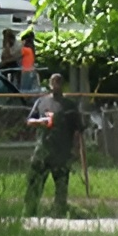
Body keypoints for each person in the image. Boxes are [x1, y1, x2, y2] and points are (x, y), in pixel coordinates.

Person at [24, 73, 85, 217]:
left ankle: (59, 213)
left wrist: (76, 150)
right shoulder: (41, 102)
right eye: (53, 82)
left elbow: (78, 130)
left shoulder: (70, 106)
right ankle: (30, 212)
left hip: (62, 152)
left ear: (62, 85)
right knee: (35, 182)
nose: (55, 85)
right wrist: (40, 122)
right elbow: (29, 121)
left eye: (58, 82)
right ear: (50, 84)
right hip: (42, 151)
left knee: (61, 185)